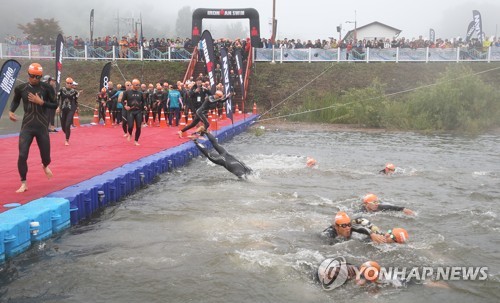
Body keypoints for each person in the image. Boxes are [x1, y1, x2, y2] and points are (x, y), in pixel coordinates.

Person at [9, 63, 57, 193]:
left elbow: (55, 104)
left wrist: (41, 102)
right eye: (32, 76)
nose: (35, 79)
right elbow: (15, 101)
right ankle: (23, 183)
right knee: (22, 154)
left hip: (41, 127)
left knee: (46, 157)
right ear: (28, 75)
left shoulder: (47, 88)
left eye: (38, 77)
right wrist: (11, 111)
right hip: (27, 127)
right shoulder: (21, 88)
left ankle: (45, 165)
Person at [122, 79, 146, 145]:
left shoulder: (140, 93)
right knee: (130, 126)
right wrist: (125, 106)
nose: (138, 86)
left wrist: (144, 106)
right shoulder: (127, 93)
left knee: (138, 126)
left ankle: (136, 141)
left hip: (138, 111)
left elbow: (144, 102)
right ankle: (130, 134)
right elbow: (122, 101)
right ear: (133, 85)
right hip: (130, 111)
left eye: (139, 85)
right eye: (136, 85)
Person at [56, 77, 79, 146]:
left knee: (67, 124)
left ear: (72, 84)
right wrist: (58, 107)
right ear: (65, 83)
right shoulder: (61, 90)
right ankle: (67, 133)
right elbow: (57, 99)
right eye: (68, 83)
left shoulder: (74, 92)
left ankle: (67, 140)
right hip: (63, 109)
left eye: (70, 83)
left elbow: (76, 101)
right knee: (63, 127)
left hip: (71, 109)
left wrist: (77, 107)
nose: (69, 84)